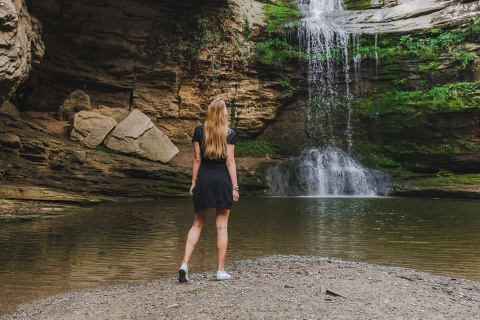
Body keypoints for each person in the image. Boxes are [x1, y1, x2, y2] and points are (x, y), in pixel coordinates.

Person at [179, 98, 240, 282]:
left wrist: (193, 181)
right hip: (222, 181)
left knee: (197, 224)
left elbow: (197, 159)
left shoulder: (199, 131)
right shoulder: (229, 134)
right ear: (224, 114)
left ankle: (184, 264)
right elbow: (230, 161)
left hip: (204, 179)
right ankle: (220, 270)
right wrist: (235, 187)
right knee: (221, 226)